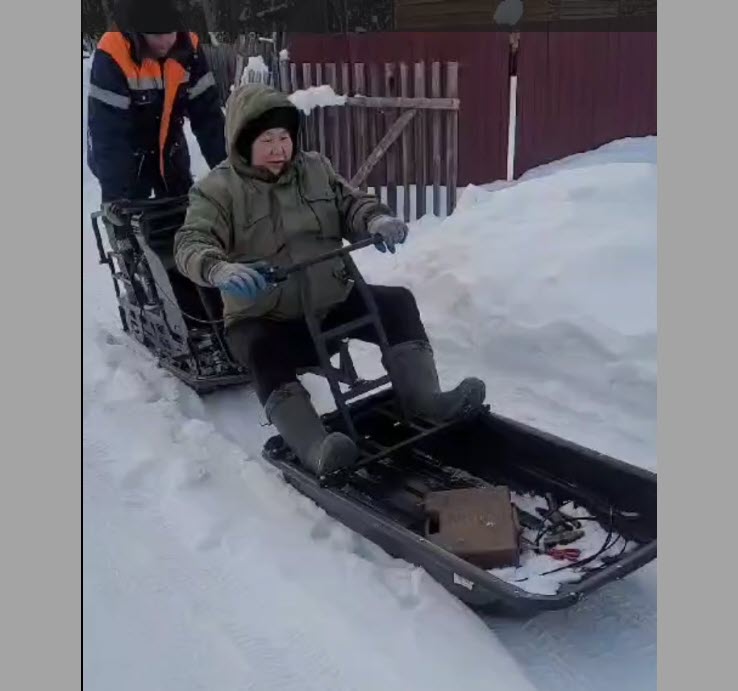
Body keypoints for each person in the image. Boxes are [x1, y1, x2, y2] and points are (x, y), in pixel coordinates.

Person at [174, 83, 486, 476]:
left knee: (396, 303)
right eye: (266, 140)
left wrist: (375, 218)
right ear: (241, 143)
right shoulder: (216, 190)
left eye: (284, 138)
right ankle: (314, 447)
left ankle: (425, 400)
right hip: (266, 315)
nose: (278, 150)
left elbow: (350, 202)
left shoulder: (315, 169)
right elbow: (191, 241)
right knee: (260, 350)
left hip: (328, 300)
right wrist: (218, 268)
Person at [86, 0, 226, 205]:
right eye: (157, 35)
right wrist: (117, 199)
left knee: (185, 223)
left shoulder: (189, 48)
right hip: (128, 163)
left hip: (172, 156)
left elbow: (209, 118)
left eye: (171, 32)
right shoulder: (113, 53)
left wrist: (229, 175)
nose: (167, 42)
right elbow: (108, 135)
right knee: (142, 227)